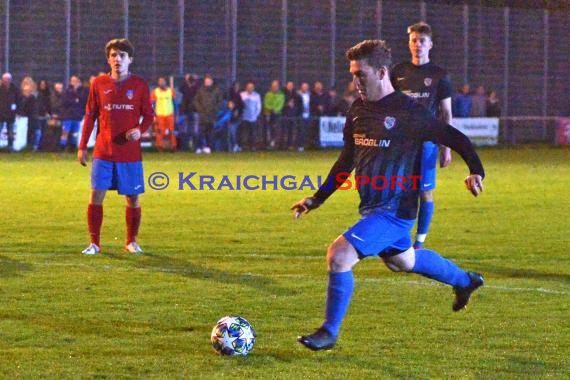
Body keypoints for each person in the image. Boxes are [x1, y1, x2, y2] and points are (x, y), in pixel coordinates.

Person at [292, 39, 485, 351]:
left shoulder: (410, 113)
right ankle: (465, 281)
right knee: (404, 262)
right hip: (372, 208)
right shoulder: (357, 110)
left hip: (395, 211)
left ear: (381, 72)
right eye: (352, 74)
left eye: (361, 74)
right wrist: (317, 198)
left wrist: (476, 170)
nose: (355, 81)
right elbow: (346, 161)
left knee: (339, 255)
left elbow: (455, 137)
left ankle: (329, 332)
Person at [77, 38, 154, 255]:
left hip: (130, 154)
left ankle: (131, 241)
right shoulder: (98, 84)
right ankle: (94, 243)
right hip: (103, 151)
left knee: (133, 197)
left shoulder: (139, 85)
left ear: (130, 60)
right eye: (113, 55)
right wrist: (83, 146)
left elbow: (149, 115)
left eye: (121, 55)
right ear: (108, 59)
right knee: (96, 194)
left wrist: (140, 129)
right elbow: (90, 116)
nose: (117, 59)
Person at [391, 21, 453, 249]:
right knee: (397, 191)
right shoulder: (398, 72)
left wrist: (446, 148)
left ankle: (419, 242)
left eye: (422, 41)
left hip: (426, 143)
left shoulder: (440, 75)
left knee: (425, 192)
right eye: (414, 41)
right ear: (409, 44)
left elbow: (446, 112)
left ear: (430, 45)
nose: (418, 45)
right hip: (399, 144)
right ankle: (398, 238)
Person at [193, 74, 223, 154]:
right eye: (206, 81)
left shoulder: (216, 90)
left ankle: (210, 148)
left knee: (210, 133)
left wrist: (215, 110)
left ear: (211, 81)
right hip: (202, 115)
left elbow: (220, 102)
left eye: (209, 81)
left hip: (212, 115)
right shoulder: (201, 90)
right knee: (200, 133)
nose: (207, 82)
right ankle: (199, 148)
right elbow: (196, 101)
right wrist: (200, 109)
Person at [60, 75, 88, 151]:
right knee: (65, 131)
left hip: (77, 115)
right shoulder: (67, 91)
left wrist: (76, 97)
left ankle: (72, 148)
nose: (73, 82)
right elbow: (65, 101)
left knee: (75, 132)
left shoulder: (83, 91)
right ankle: (62, 147)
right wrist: (75, 101)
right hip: (68, 115)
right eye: (72, 81)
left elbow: (82, 100)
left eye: (75, 81)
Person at [151, 76, 176, 152]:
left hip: (169, 114)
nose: (161, 83)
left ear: (165, 82)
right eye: (160, 81)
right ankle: (159, 147)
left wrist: (175, 113)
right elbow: (151, 103)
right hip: (160, 115)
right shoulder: (155, 92)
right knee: (159, 131)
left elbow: (174, 102)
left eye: (162, 81)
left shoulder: (170, 91)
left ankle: (173, 146)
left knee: (171, 131)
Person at [178, 73, 200, 151]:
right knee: (185, 130)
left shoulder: (196, 87)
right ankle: (185, 147)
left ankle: (195, 147)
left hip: (194, 110)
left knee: (195, 130)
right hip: (186, 111)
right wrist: (186, 82)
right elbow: (181, 89)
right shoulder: (185, 87)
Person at [19, 79, 40, 151]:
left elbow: (35, 108)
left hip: (33, 117)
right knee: (27, 133)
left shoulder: (34, 97)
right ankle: (27, 147)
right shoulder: (21, 97)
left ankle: (34, 147)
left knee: (36, 132)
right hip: (24, 118)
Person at [0, 72, 20, 151]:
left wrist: (18, 112)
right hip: (0, 113)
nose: (6, 81)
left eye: (7, 79)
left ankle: (10, 146)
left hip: (11, 114)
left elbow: (18, 100)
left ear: (10, 80)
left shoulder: (14, 88)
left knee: (10, 131)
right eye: (4, 79)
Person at [240, 80, 262, 151]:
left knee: (253, 133)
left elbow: (258, 107)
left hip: (253, 118)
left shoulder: (257, 95)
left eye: (251, 87)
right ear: (246, 87)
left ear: (253, 88)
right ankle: (243, 146)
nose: (250, 88)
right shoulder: (242, 95)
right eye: (248, 87)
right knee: (244, 133)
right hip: (244, 117)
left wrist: (255, 115)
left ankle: (252, 146)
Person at [263, 79, 285, 149]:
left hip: (277, 114)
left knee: (275, 128)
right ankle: (268, 143)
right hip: (269, 113)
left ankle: (275, 143)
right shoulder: (268, 94)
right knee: (268, 128)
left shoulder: (281, 95)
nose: (274, 87)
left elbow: (281, 104)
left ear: (278, 86)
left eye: (276, 86)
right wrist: (270, 109)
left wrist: (276, 109)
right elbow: (266, 103)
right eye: (273, 86)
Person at [282, 81, 303, 150]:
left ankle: (290, 145)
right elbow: (281, 103)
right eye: (289, 85)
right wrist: (287, 104)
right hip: (285, 115)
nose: (290, 86)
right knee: (284, 130)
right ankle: (283, 145)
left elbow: (299, 103)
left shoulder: (296, 94)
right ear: (286, 86)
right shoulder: (282, 93)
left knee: (291, 130)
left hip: (293, 115)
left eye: (291, 85)